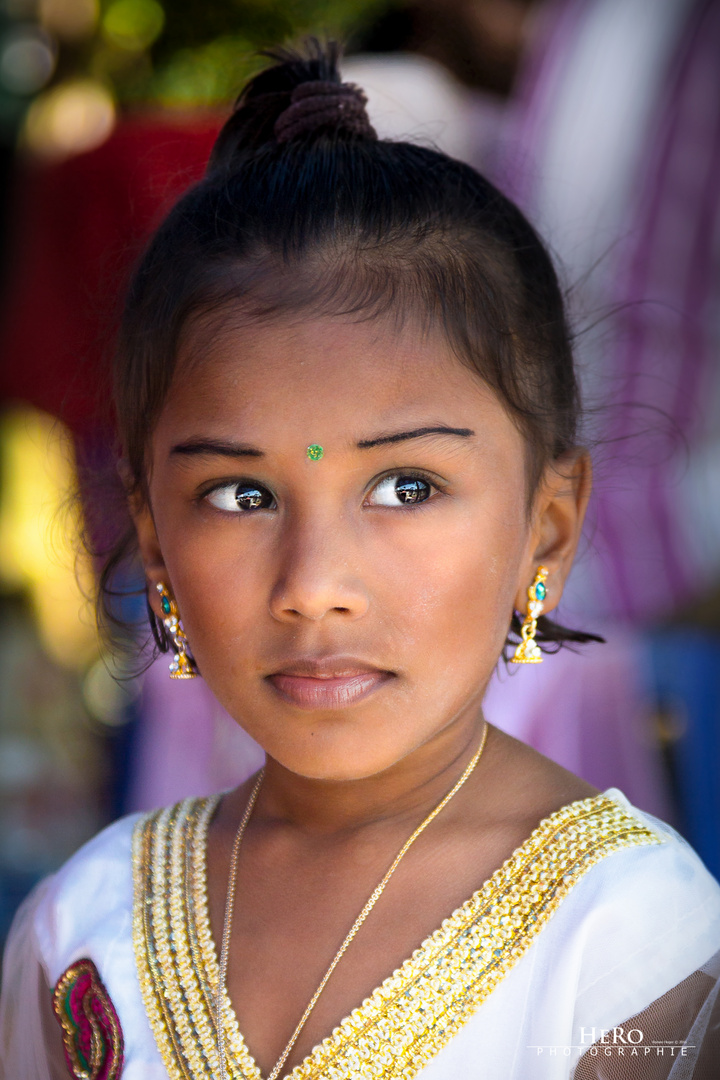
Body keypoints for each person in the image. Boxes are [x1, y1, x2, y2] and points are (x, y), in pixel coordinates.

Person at [1, 41, 719, 1080]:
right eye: (240, 496)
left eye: (406, 488)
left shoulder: (632, 944)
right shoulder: (83, 926)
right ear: (154, 542)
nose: (314, 587)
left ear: (548, 531)